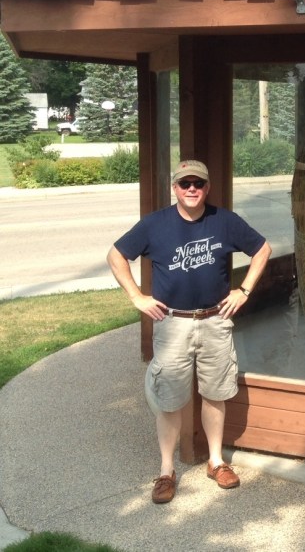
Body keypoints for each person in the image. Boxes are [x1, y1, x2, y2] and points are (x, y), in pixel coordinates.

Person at [107, 159, 271, 504]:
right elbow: (116, 255)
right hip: (172, 324)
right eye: (185, 183)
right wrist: (136, 296)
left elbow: (262, 249)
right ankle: (166, 471)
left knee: (215, 393)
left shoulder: (224, 221)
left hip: (215, 321)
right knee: (169, 400)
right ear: (175, 188)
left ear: (207, 187)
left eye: (198, 183)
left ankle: (216, 461)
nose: (192, 189)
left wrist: (244, 290)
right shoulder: (155, 224)